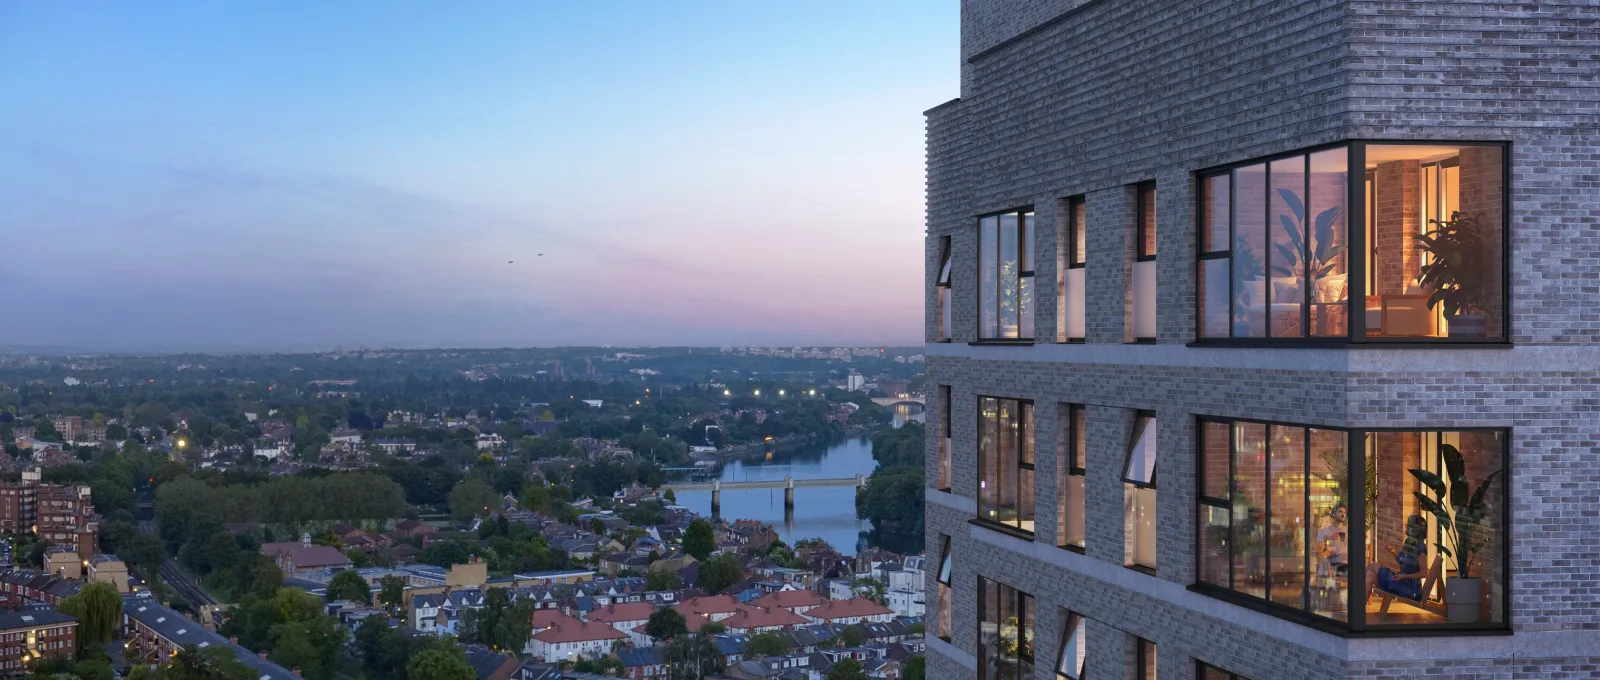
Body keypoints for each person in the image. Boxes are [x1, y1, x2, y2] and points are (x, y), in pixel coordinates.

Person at [1366, 514, 1428, 600]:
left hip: (1409, 588)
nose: (1406, 527)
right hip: (1399, 580)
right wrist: (1394, 552)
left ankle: (1356, 607)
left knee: (1373, 566)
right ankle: (1359, 610)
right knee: (1369, 576)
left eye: (1408, 525)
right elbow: (1403, 563)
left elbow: (1424, 573)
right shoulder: (1408, 542)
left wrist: (1404, 577)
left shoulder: (1421, 547)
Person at [1314, 506, 1348, 576]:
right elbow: (1319, 552)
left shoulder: (1349, 531)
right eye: (1340, 512)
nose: (1343, 514)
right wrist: (1329, 540)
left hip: (1346, 564)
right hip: (1331, 565)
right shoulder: (1324, 532)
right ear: (1333, 514)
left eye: (1344, 512)